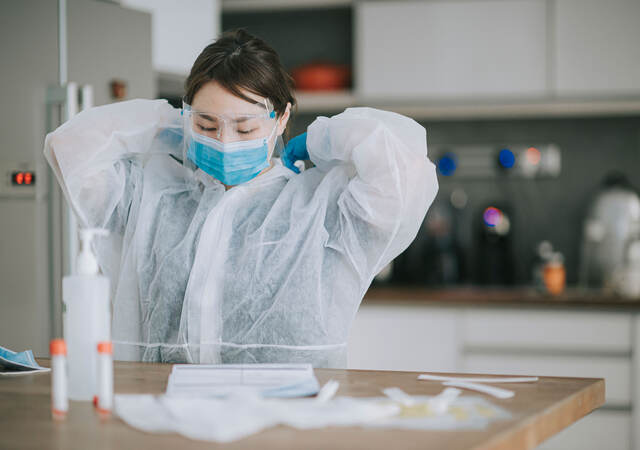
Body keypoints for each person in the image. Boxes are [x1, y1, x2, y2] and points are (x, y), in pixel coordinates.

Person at [44, 29, 439, 368]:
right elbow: (71, 149)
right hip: (168, 416)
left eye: (246, 128)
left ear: (281, 119)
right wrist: (169, 125)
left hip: (296, 420)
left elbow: (406, 171)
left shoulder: (322, 204)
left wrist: (323, 139)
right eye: (207, 124)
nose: (225, 141)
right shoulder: (154, 197)